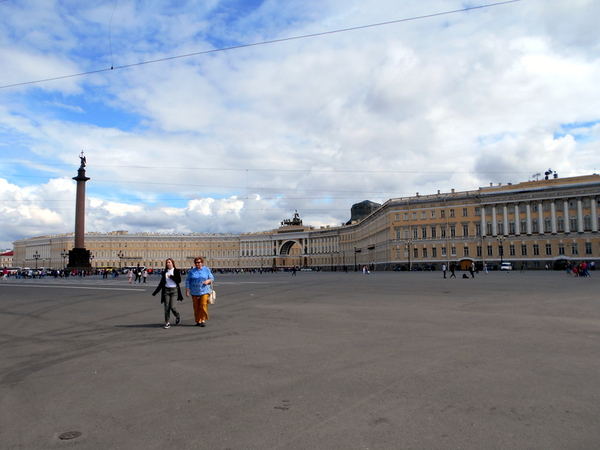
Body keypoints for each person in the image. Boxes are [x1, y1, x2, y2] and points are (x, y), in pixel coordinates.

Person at [152, 258, 183, 329]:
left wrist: (171, 277)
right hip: (166, 290)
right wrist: (156, 292)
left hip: (174, 290)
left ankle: (177, 315)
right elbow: (161, 283)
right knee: (166, 307)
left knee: (173, 307)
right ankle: (167, 322)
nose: (168, 264)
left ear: (172, 263)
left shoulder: (176, 271)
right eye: (167, 262)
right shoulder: (165, 272)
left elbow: (179, 280)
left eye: (169, 262)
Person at [185, 257, 214, 327]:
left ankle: (203, 320)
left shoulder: (206, 270)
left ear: (202, 263)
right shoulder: (191, 271)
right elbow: (188, 280)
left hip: (204, 290)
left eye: (199, 262)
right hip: (194, 291)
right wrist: (187, 290)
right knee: (196, 306)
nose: (197, 264)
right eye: (196, 263)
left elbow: (212, 278)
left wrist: (208, 281)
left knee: (203, 305)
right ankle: (198, 320)